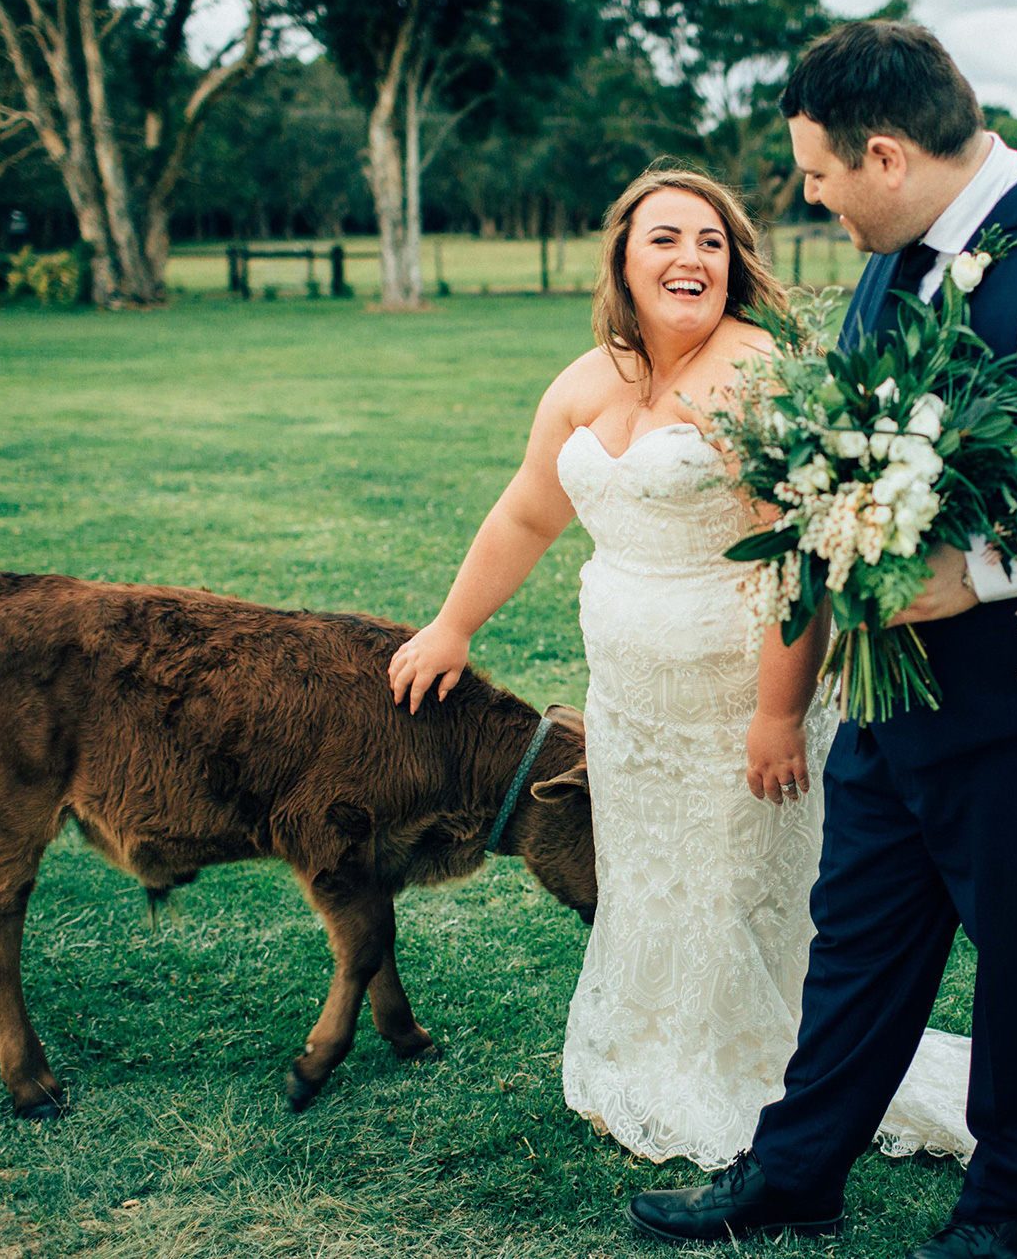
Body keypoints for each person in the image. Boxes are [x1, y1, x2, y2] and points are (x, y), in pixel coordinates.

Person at [625, 22, 1017, 1259]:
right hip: (901, 689)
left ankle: (1005, 1213)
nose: (805, 194)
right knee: (860, 929)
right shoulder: (897, 253)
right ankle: (795, 1172)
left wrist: (981, 572)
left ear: (886, 154)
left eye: (815, 171)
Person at [386, 167, 970, 1169]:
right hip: (629, 702)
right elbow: (528, 512)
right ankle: (654, 1051)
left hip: (740, 696)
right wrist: (450, 626)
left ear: (732, 263)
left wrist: (778, 717)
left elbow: (799, 558)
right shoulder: (586, 377)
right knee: (653, 880)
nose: (687, 258)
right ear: (622, 256)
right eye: (663, 238)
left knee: (736, 886)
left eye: (708, 241)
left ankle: (769, 1070)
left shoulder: (758, 375)